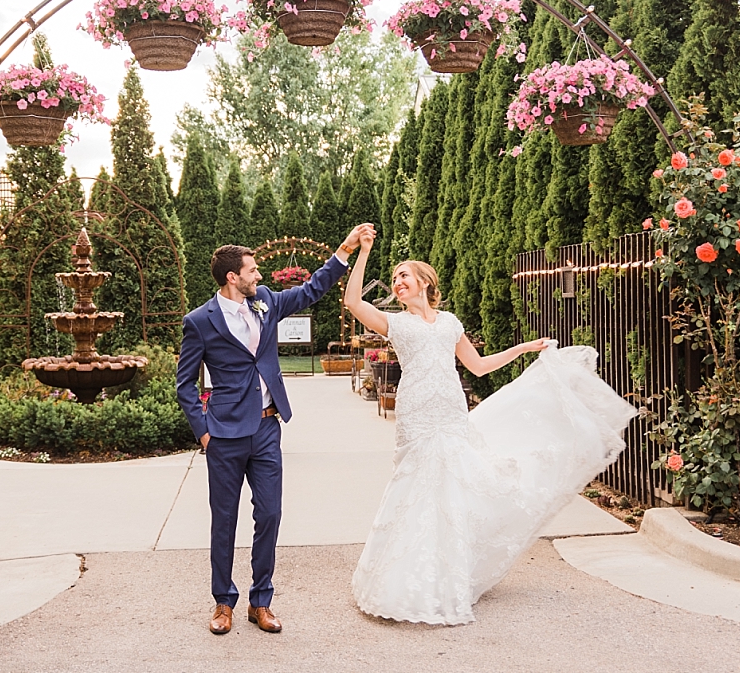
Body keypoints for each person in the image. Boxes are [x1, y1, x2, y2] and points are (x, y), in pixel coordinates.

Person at [343, 230, 636, 625]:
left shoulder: (449, 323)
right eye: (395, 278)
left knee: (451, 491)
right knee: (417, 488)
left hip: (450, 412)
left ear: (425, 283)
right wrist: (363, 252)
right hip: (417, 415)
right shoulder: (395, 323)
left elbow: (478, 366)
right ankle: (406, 577)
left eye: (404, 275)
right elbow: (352, 301)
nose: (398, 282)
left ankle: (449, 575)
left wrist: (523, 349)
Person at [177, 224, 376, 636]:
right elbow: (185, 384)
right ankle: (222, 602)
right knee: (223, 521)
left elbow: (310, 290)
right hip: (225, 435)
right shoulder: (200, 321)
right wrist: (204, 433)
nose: (259, 277)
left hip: (268, 428)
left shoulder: (265, 302)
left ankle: (260, 601)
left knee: (269, 514)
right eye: (252, 271)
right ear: (233, 277)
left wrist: (344, 250)